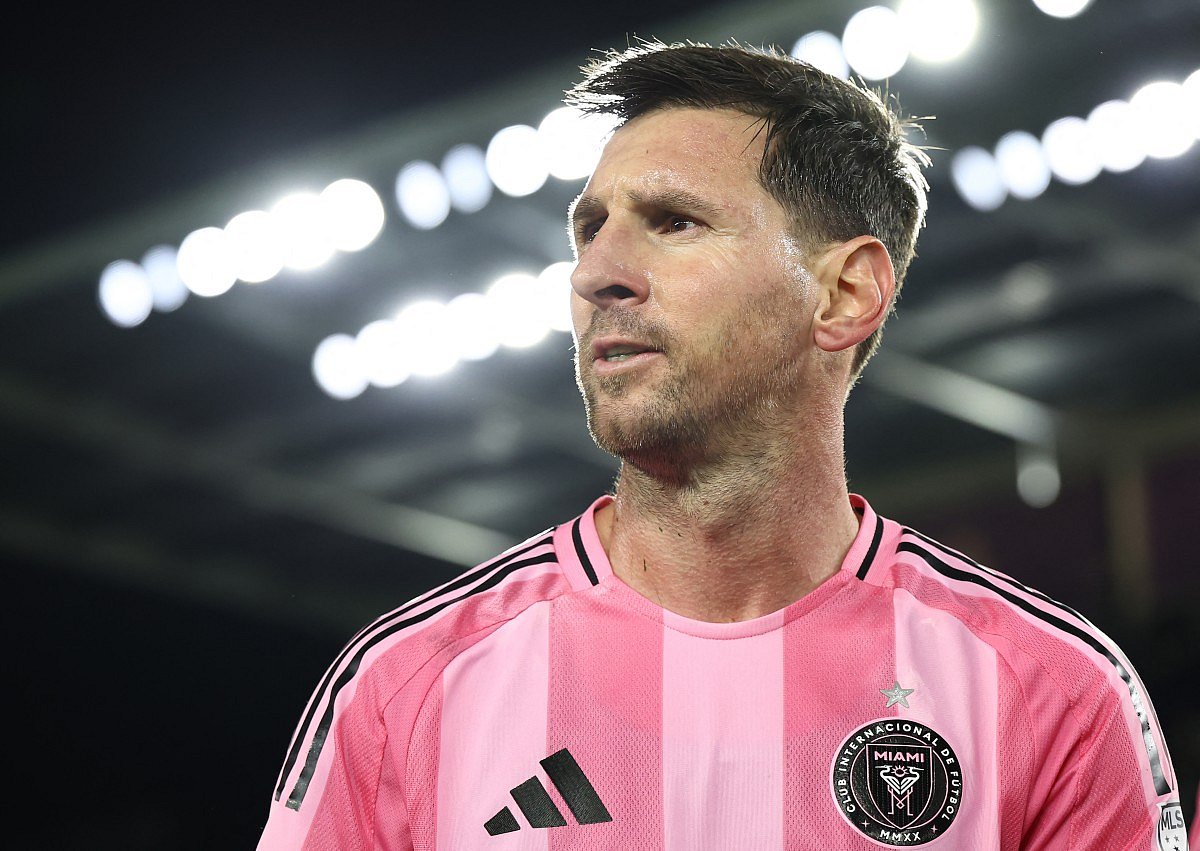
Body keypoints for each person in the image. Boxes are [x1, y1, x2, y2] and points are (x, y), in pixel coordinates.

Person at [257, 41, 1186, 850]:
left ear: (845, 295)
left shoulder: (1053, 694)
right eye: (590, 229)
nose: (596, 274)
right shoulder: (406, 688)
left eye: (674, 222)